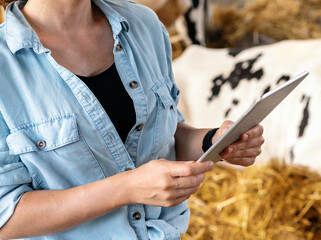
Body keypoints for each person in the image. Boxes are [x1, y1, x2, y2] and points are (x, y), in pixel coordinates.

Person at [0, 0, 264, 239]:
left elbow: (167, 135)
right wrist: (127, 188)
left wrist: (213, 141)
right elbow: (6, 217)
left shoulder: (143, 25)